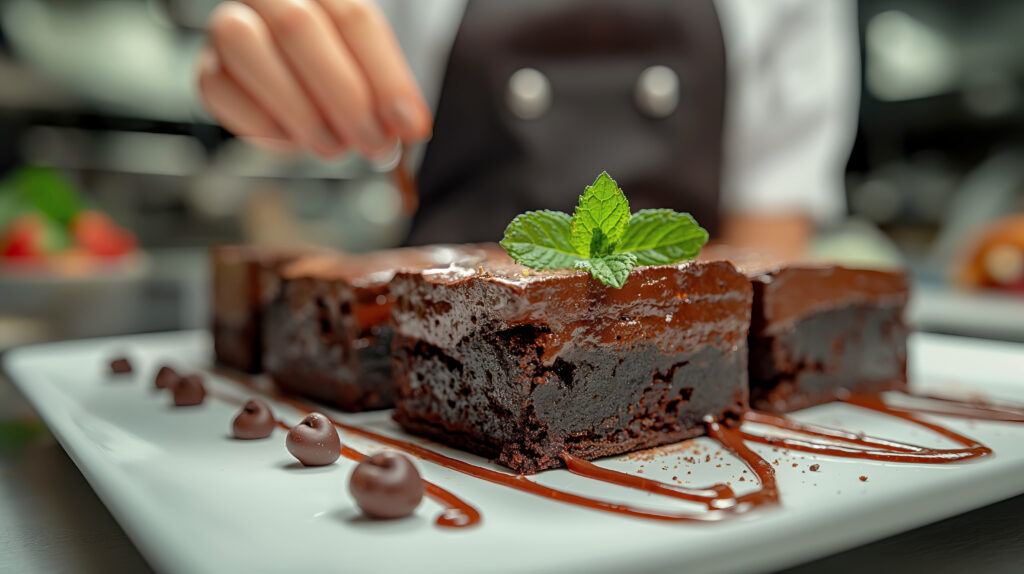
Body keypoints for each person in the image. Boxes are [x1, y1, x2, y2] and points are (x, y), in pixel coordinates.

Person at [197, 0, 859, 256]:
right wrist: (265, 66)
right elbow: (320, 59)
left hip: (680, 402)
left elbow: (769, 244)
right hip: (432, 373)